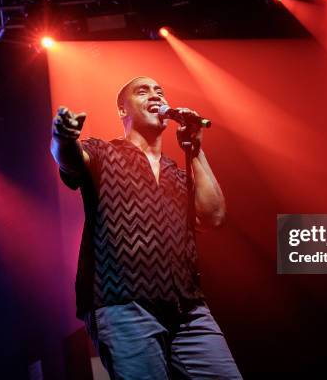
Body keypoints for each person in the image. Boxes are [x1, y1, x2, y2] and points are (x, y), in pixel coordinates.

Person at [50, 76, 242, 379]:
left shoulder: (176, 173)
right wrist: (63, 138)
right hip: (123, 305)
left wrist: (195, 149)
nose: (155, 95)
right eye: (143, 91)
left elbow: (213, 217)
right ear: (123, 111)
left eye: (159, 91)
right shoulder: (103, 152)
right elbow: (71, 160)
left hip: (188, 308)